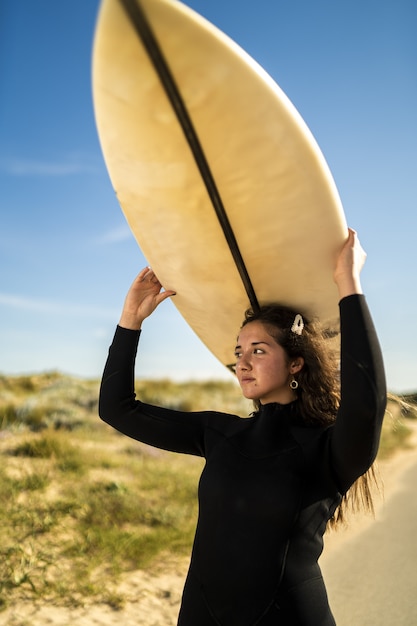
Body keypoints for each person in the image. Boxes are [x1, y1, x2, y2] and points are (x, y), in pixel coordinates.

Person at [99, 228, 386, 626]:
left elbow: (367, 404)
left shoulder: (328, 451)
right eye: (238, 352)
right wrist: (131, 320)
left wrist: (348, 286)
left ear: (296, 363)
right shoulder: (219, 434)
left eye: (258, 350)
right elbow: (117, 409)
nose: (242, 363)